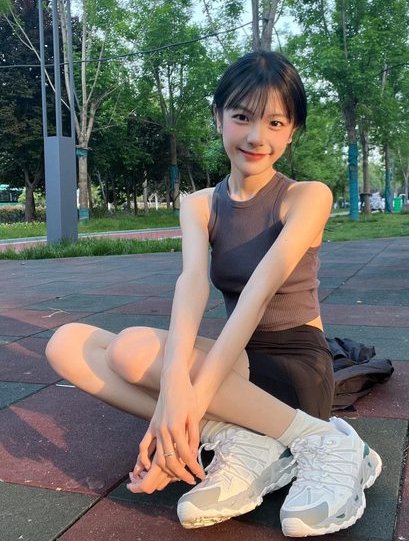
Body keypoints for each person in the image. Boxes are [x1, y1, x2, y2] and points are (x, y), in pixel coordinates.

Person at [46, 50, 381, 537]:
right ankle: (239, 440)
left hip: (294, 365)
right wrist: (173, 396)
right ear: (218, 117)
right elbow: (191, 285)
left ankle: (322, 440)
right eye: (242, 117)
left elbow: (258, 294)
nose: (256, 136)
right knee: (66, 343)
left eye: (275, 122)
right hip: (237, 360)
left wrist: (183, 406)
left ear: (291, 131)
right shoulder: (200, 204)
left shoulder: (307, 196)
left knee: (132, 348)